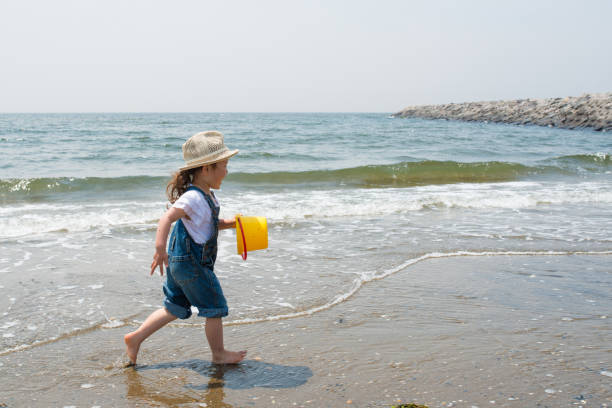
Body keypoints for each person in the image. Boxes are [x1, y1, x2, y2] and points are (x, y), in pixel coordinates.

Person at [124, 130, 247, 365]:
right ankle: (218, 354)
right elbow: (166, 218)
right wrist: (159, 248)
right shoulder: (193, 198)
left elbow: (207, 226)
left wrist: (231, 224)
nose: (227, 171)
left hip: (179, 264)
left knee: (174, 307)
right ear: (205, 168)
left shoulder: (207, 196)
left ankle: (136, 338)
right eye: (224, 165)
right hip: (192, 265)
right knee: (215, 306)